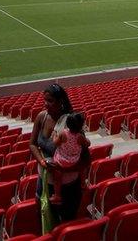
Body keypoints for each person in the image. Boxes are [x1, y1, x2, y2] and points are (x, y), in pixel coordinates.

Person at [29, 83, 87, 232]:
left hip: (68, 187)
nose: (46, 104)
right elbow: (33, 144)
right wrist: (42, 161)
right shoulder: (41, 117)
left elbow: (86, 160)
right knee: (44, 222)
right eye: (45, 100)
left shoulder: (71, 123)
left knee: (66, 226)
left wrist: (62, 168)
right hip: (43, 182)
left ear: (61, 101)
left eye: (50, 101)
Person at [48, 112, 90, 204]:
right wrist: (87, 140)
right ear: (81, 126)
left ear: (67, 124)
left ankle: (57, 195)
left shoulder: (64, 134)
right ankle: (83, 184)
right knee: (83, 168)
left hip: (61, 161)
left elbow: (55, 143)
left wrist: (54, 134)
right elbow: (87, 144)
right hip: (74, 161)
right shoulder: (80, 137)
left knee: (57, 176)